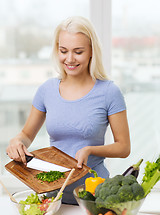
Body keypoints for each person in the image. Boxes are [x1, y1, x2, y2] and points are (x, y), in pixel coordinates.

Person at [6, 16, 130, 204]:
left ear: (91, 52)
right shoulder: (47, 90)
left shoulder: (109, 92)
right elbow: (25, 134)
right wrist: (16, 142)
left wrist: (90, 149)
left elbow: (124, 147)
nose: (69, 59)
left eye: (78, 52)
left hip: (94, 196)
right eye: (63, 51)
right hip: (53, 195)